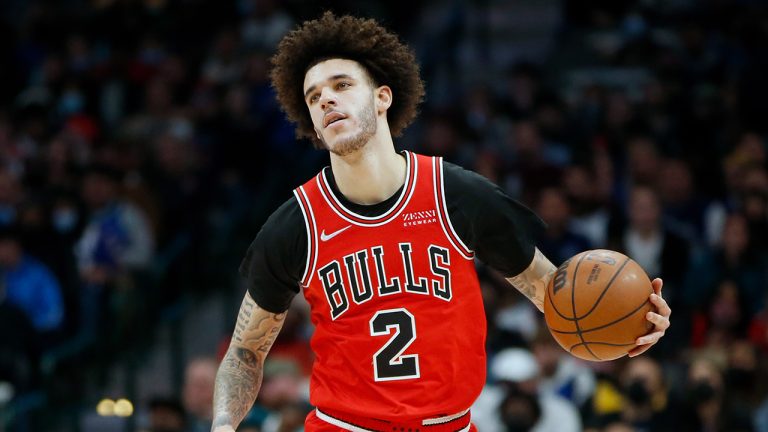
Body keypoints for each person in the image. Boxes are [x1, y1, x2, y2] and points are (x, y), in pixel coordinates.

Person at [212, 12, 672, 432]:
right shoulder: (296, 224)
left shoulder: (457, 194)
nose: (327, 99)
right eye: (314, 96)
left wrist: (630, 325)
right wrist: (222, 426)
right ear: (311, 123)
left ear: (382, 96)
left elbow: (554, 297)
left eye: (341, 85)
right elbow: (245, 351)